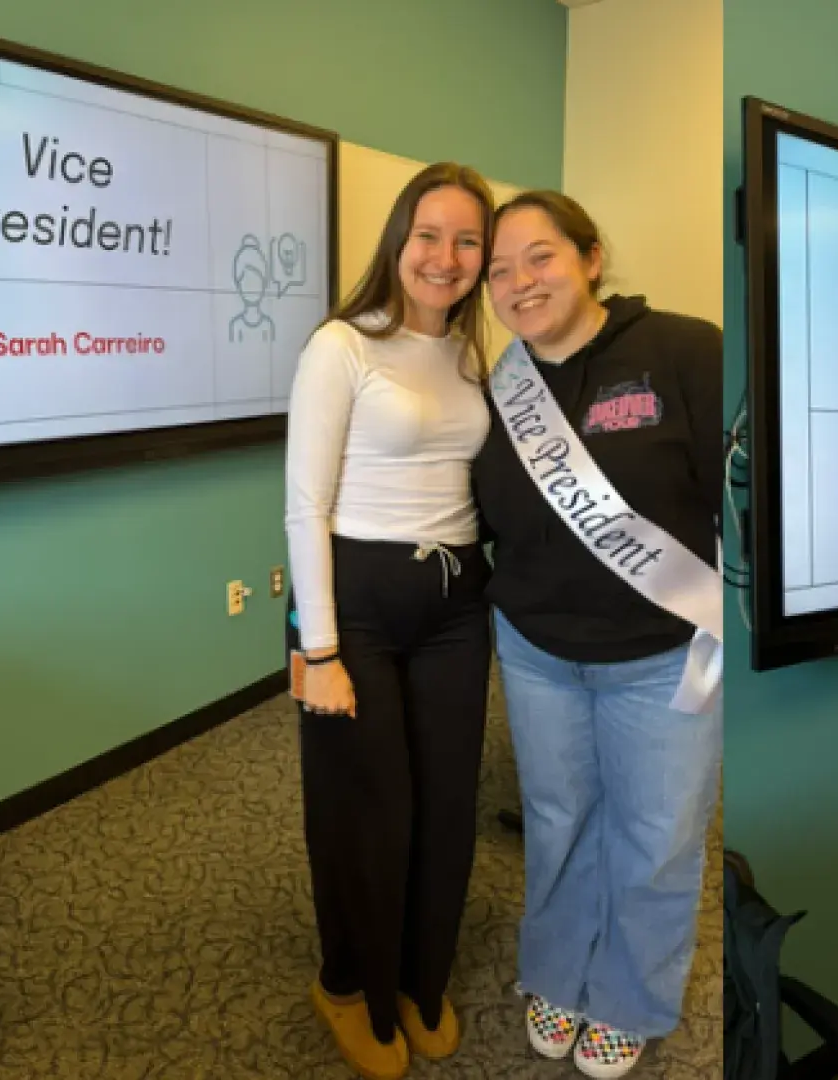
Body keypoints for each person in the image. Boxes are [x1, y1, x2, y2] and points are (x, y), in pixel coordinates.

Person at [472, 191, 723, 1079]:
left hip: (661, 654)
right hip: (537, 651)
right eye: (499, 271)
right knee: (557, 821)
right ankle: (557, 973)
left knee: (656, 839)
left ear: (591, 258)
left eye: (540, 257)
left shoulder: (687, 350)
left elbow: (739, 502)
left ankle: (627, 998)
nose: (520, 282)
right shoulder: (499, 387)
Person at [284, 161, 495, 1080]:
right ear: (398, 241)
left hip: (456, 603)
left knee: (446, 804)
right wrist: (320, 648)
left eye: (467, 241)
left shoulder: (473, 355)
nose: (446, 257)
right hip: (357, 604)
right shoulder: (343, 346)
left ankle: (417, 976)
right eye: (429, 236)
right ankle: (348, 984)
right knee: (368, 810)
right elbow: (305, 506)